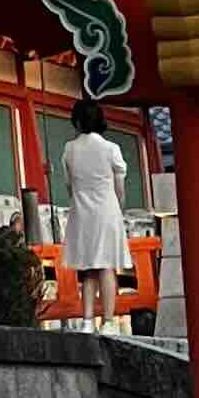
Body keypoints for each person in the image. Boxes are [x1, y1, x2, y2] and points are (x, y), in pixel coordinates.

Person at [60, 96, 132, 331]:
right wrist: (118, 206)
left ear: (77, 122)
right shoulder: (111, 149)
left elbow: (69, 185)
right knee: (107, 266)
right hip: (107, 210)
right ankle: (109, 321)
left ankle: (87, 320)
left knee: (88, 268)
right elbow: (119, 186)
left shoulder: (69, 149)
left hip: (81, 211)